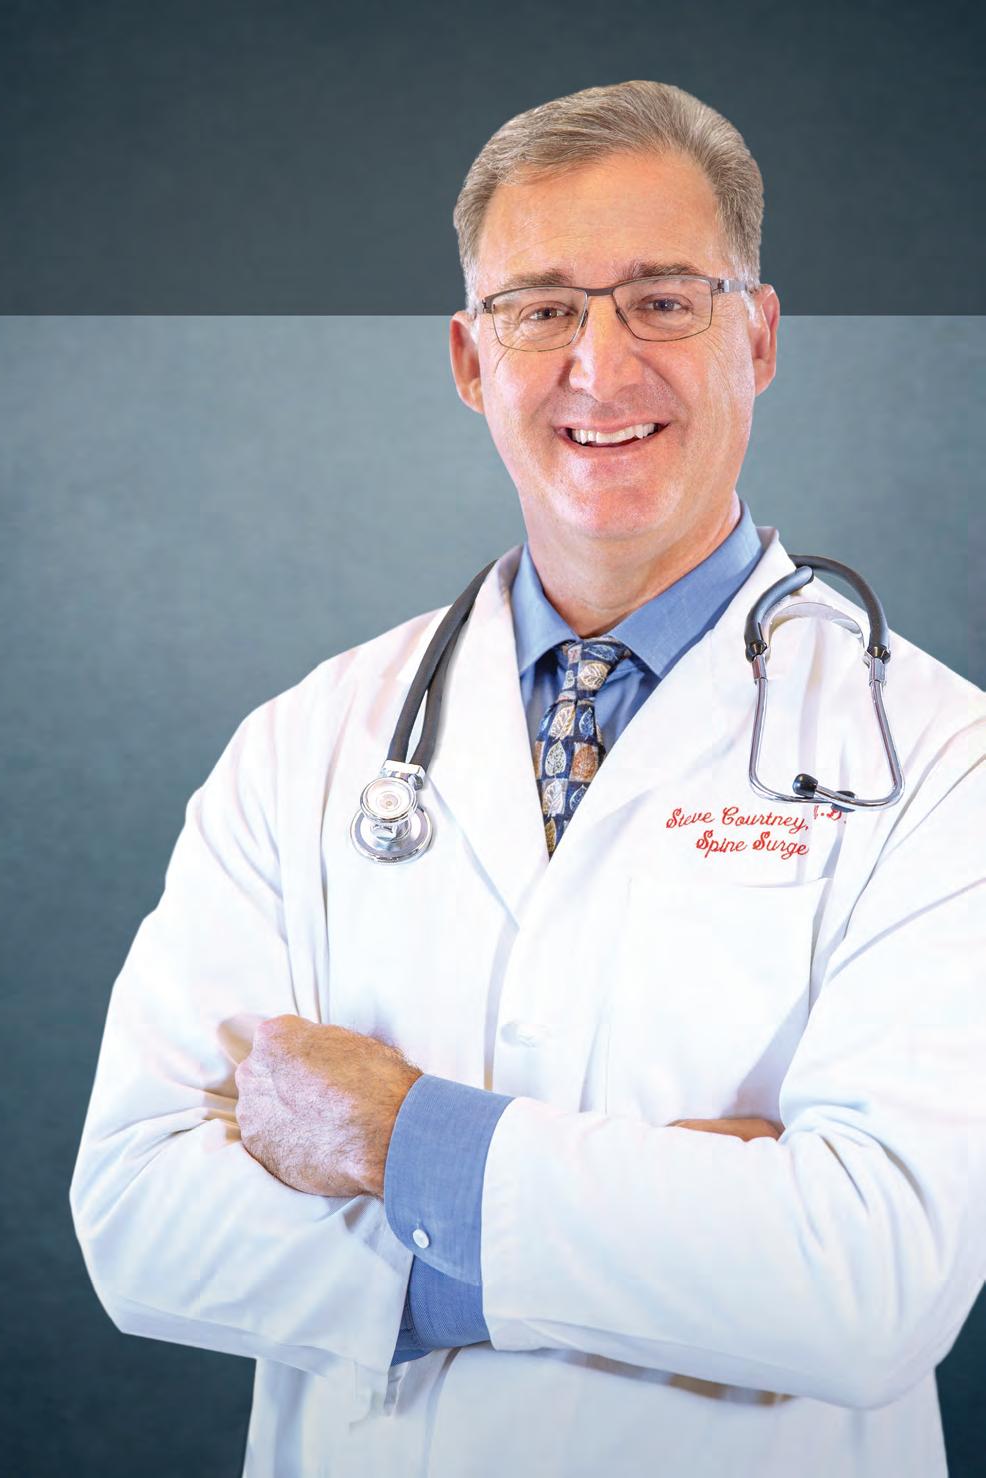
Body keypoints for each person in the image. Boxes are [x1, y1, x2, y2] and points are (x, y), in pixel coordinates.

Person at [69, 80, 986, 1477]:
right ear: (469, 356)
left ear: (757, 334)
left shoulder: (940, 759)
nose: (599, 369)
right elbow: (140, 1217)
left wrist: (396, 1137)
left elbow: (870, 1284)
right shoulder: (304, 745)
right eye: (541, 308)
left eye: (663, 301)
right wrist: (684, 1237)